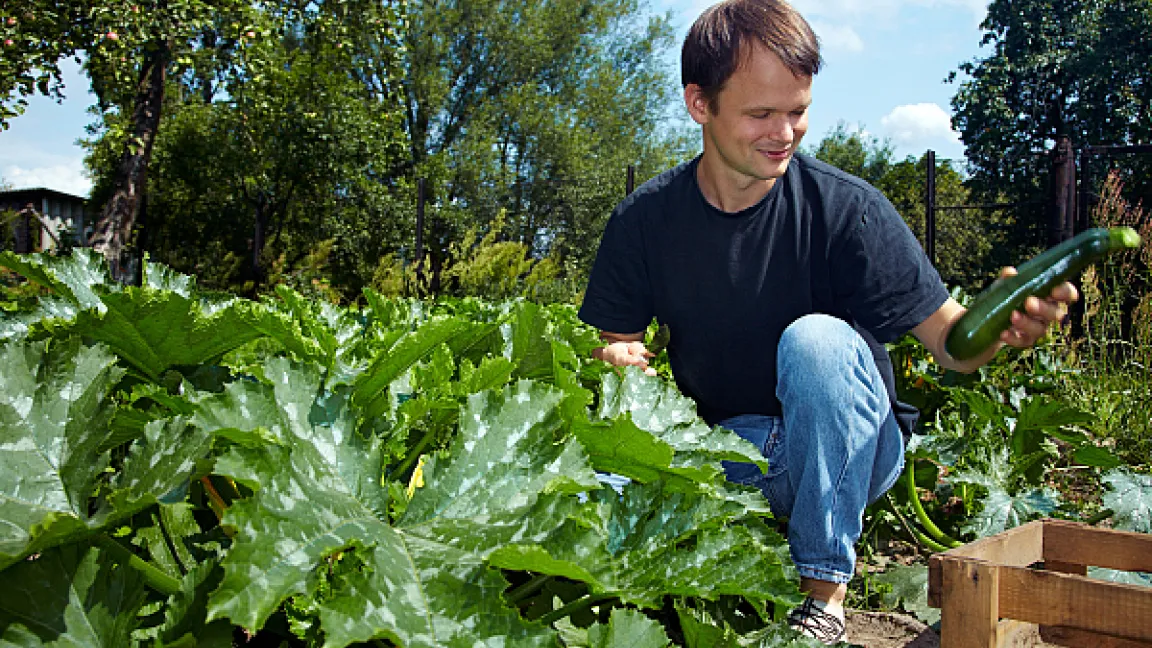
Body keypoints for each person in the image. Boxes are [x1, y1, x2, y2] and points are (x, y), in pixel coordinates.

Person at [576, 0, 1078, 643]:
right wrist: (617, 360)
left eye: (798, 111)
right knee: (602, 475)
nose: (784, 132)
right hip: (731, 452)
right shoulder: (644, 221)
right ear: (700, 105)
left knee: (816, 340)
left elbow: (952, 344)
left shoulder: (849, 210)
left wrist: (1001, 324)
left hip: (854, 447)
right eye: (761, 113)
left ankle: (823, 596)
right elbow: (614, 347)